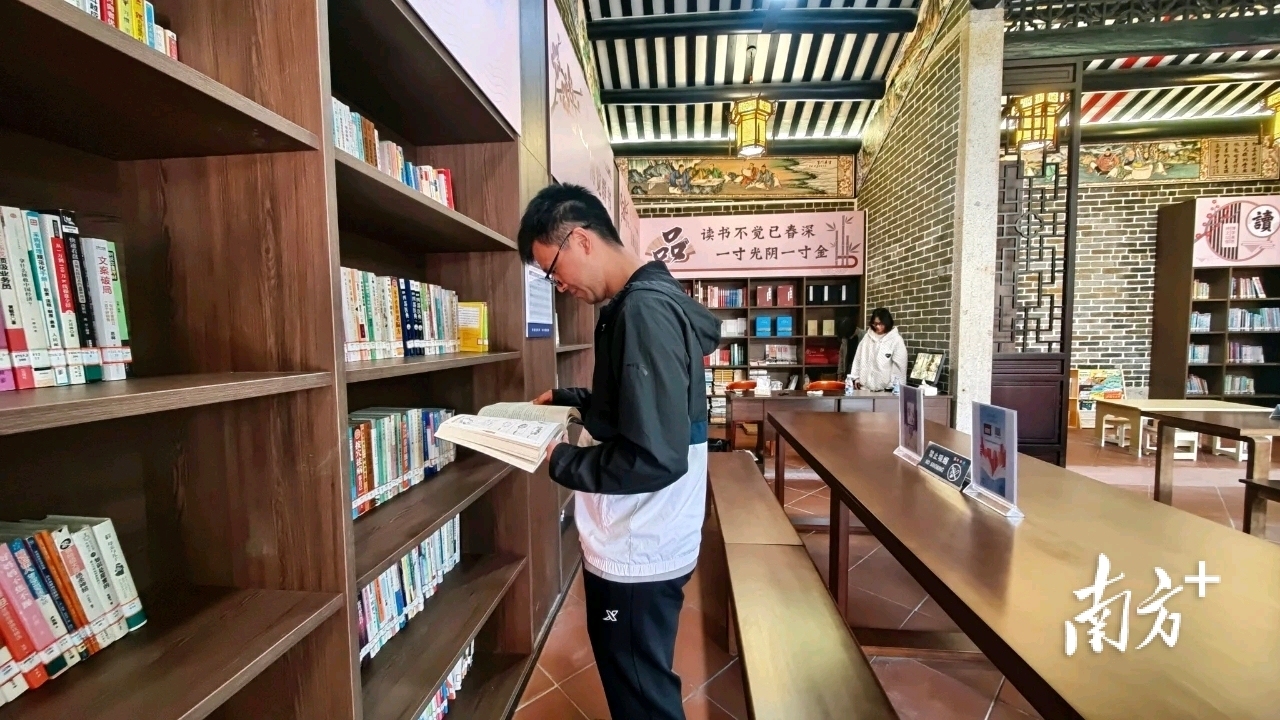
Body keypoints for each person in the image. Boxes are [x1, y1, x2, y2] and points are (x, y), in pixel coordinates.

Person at [519, 183, 720, 720]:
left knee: (638, 690)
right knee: (638, 675)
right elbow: (646, 407)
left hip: (641, 542)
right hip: (650, 532)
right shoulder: (644, 300)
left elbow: (656, 454)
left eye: (552, 269)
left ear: (581, 240)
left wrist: (560, 461)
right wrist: (577, 400)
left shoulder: (642, 313)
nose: (558, 285)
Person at [849, 307, 907, 391]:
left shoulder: (896, 340)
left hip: (885, 390)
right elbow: (858, 358)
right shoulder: (867, 337)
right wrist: (856, 378)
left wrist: (893, 387)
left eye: (881, 324)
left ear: (887, 323)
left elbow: (900, 367)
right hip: (864, 388)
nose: (878, 326)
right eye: (875, 324)